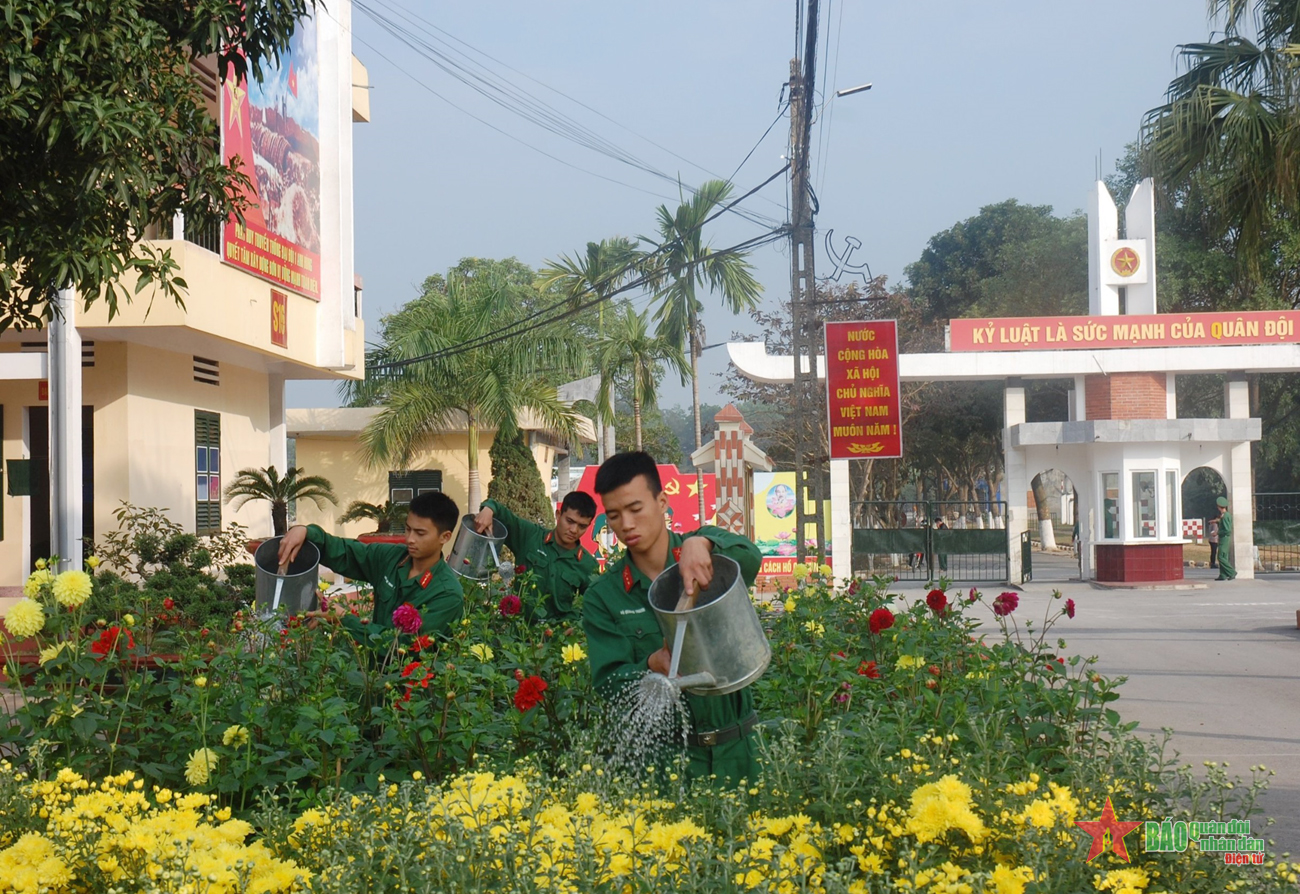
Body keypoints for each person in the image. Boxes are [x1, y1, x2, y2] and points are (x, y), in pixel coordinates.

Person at [582, 451, 763, 786]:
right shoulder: (604, 596)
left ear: (662, 501)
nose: (627, 525)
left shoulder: (702, 558)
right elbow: (608, 683)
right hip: (667, 763)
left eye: (636, 509)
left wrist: (704, 540)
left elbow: (750, 559)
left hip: (739, 751)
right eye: (615, 515)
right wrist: (651, 664)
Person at [276, 491, 464, 641]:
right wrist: (306, 532)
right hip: (373, 677)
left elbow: (403, 645)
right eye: (408, 529)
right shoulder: (390, 557)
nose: (410, 539)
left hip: (413, 686)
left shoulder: (447, 593)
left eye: (420, 533)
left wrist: (346, 619)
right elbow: (346, 552)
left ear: (445, 537)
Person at [473, 491, 599, 621]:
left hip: (558, 637)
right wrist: (488, 509)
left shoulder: (587, 564)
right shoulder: (530, 536)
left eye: (582, 526)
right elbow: (499, 511)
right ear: (558, 515)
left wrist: (574, 622)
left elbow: (598, 606)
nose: (574, 530)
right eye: (570, 521)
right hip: (517, 634)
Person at [1214, 497, 1236, 580]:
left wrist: (1217, 533)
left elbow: (1227, 530)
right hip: (1224, 538)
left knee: (1221, 557)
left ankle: (1231, 572)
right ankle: (1223, 575)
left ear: (1219, 506)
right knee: (1224, 556)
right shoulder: (1226, 515)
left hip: (1224, 538)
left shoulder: (1225, 516)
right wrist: (1216, 521)